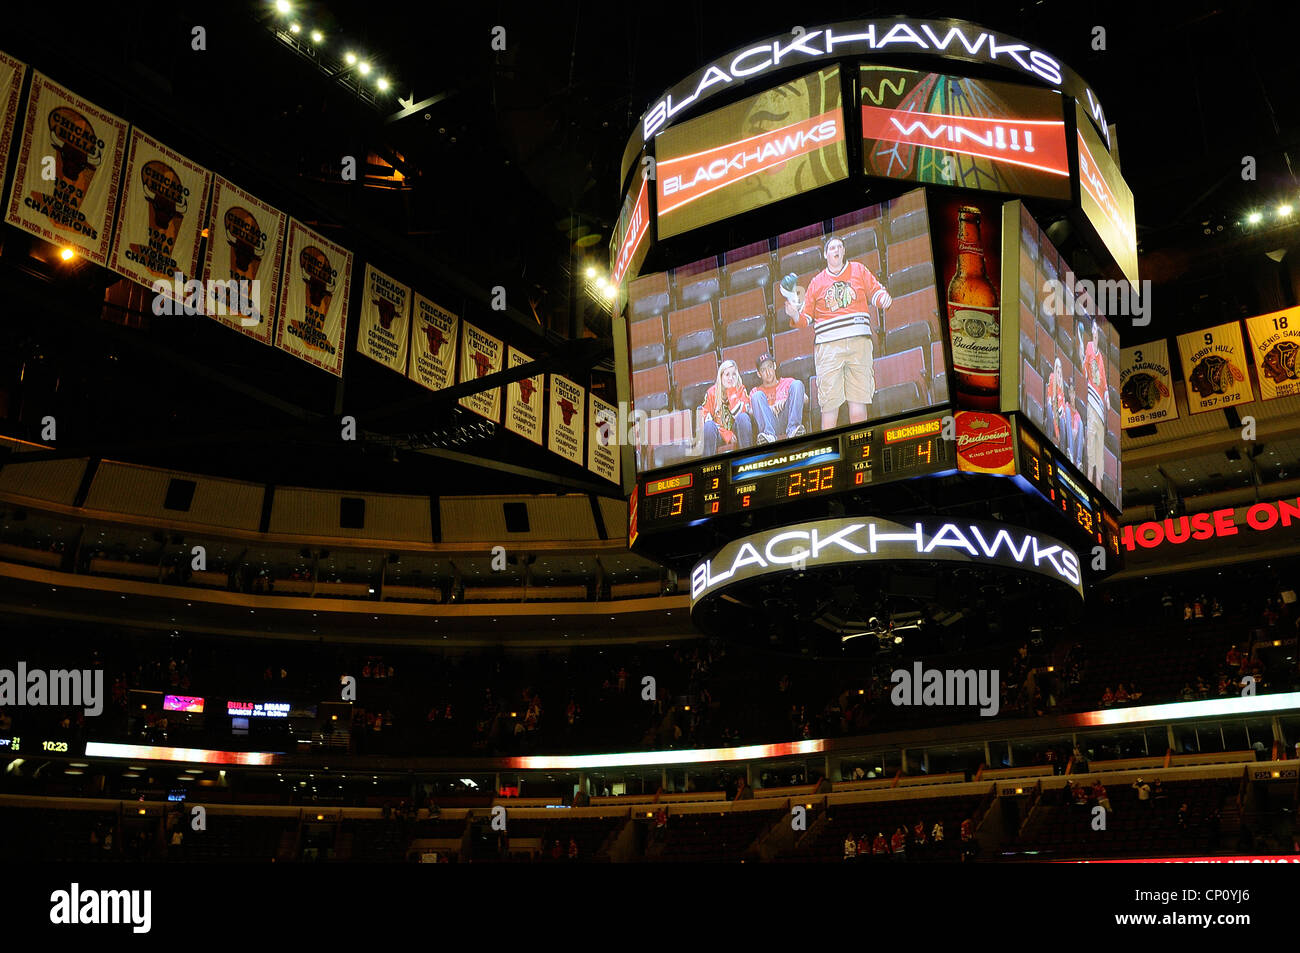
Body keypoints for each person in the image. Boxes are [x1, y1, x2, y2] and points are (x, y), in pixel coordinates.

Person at [782, 236, 893, 431]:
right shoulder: (816, 282)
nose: (836, 250)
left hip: (859, 343)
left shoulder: (859, 269)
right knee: (830, 406)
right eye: (832, 247)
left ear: (843, 251)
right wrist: (793, 314)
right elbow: (805, 319)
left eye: (840, 246)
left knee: (858, 401)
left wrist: (883, 298)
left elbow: (876, 292)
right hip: (828, 348)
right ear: (825, 254)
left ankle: (860, 444)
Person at [698, 359, 755, 456]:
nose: (731, 378)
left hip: (738, 431)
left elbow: (741, 413)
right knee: (709, 426)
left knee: (743, 417)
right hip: (719, 434)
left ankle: (748, 457)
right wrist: (726, 434)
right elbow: (705, 419)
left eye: (734, 374)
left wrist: (732, 392)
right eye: (727, 374)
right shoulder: (711, 393)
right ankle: (707, 466)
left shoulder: (741, 389)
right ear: (721, 377)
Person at [749, 352, 807, 444]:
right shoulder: (755, 391)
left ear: (775, 366)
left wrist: (786, 400)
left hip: (787, 418)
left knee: (797, 384)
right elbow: (751, 412)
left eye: (770, 367)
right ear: (759, 374)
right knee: (757, 396)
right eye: (763, 370)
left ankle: (793, 430)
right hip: (770, 423)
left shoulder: (788, 382)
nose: (768, 372)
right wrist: (768, 409)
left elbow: (805, 399)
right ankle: (768, 436)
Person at [1079, 317, 1108, 487]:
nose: (1095, 332)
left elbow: (1104, 383)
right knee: (1091, 454)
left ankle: (1098, 491)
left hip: (1101, 408)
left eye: (1097, 330)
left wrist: (1108, 399)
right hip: (1091, 402)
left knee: (1099, 455)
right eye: (1094, 329)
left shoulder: (1101, 357)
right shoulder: (1089, 347)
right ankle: (1089, 486)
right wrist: (1081, 349)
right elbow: (1085, 371)